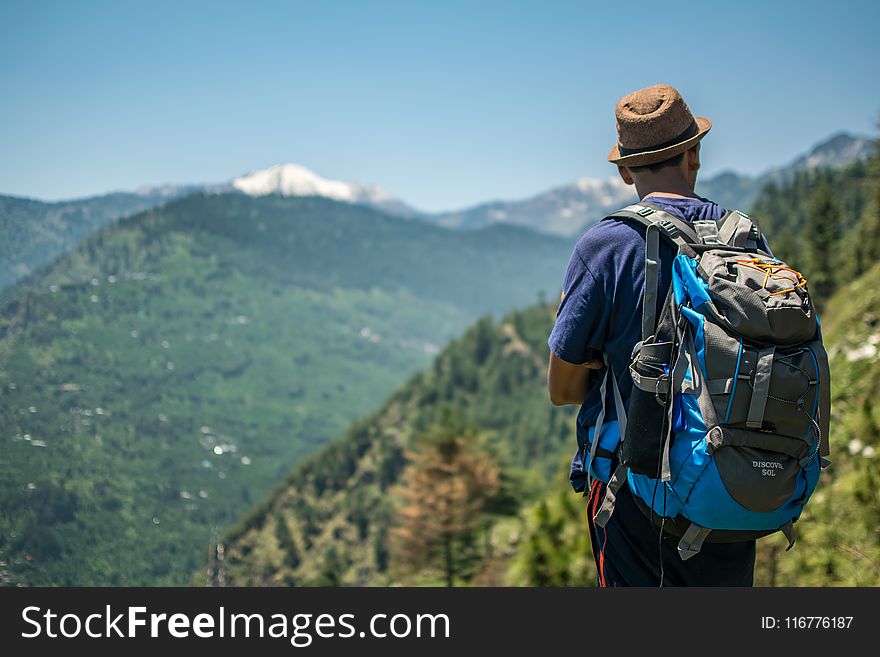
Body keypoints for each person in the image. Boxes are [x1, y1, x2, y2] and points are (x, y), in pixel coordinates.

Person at [546, 84, 757, 586]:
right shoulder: (742, 237)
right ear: (695, 155)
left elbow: (562, 390)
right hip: (732, 482)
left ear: (624, 171)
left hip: (636, 492)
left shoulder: (606, 246)